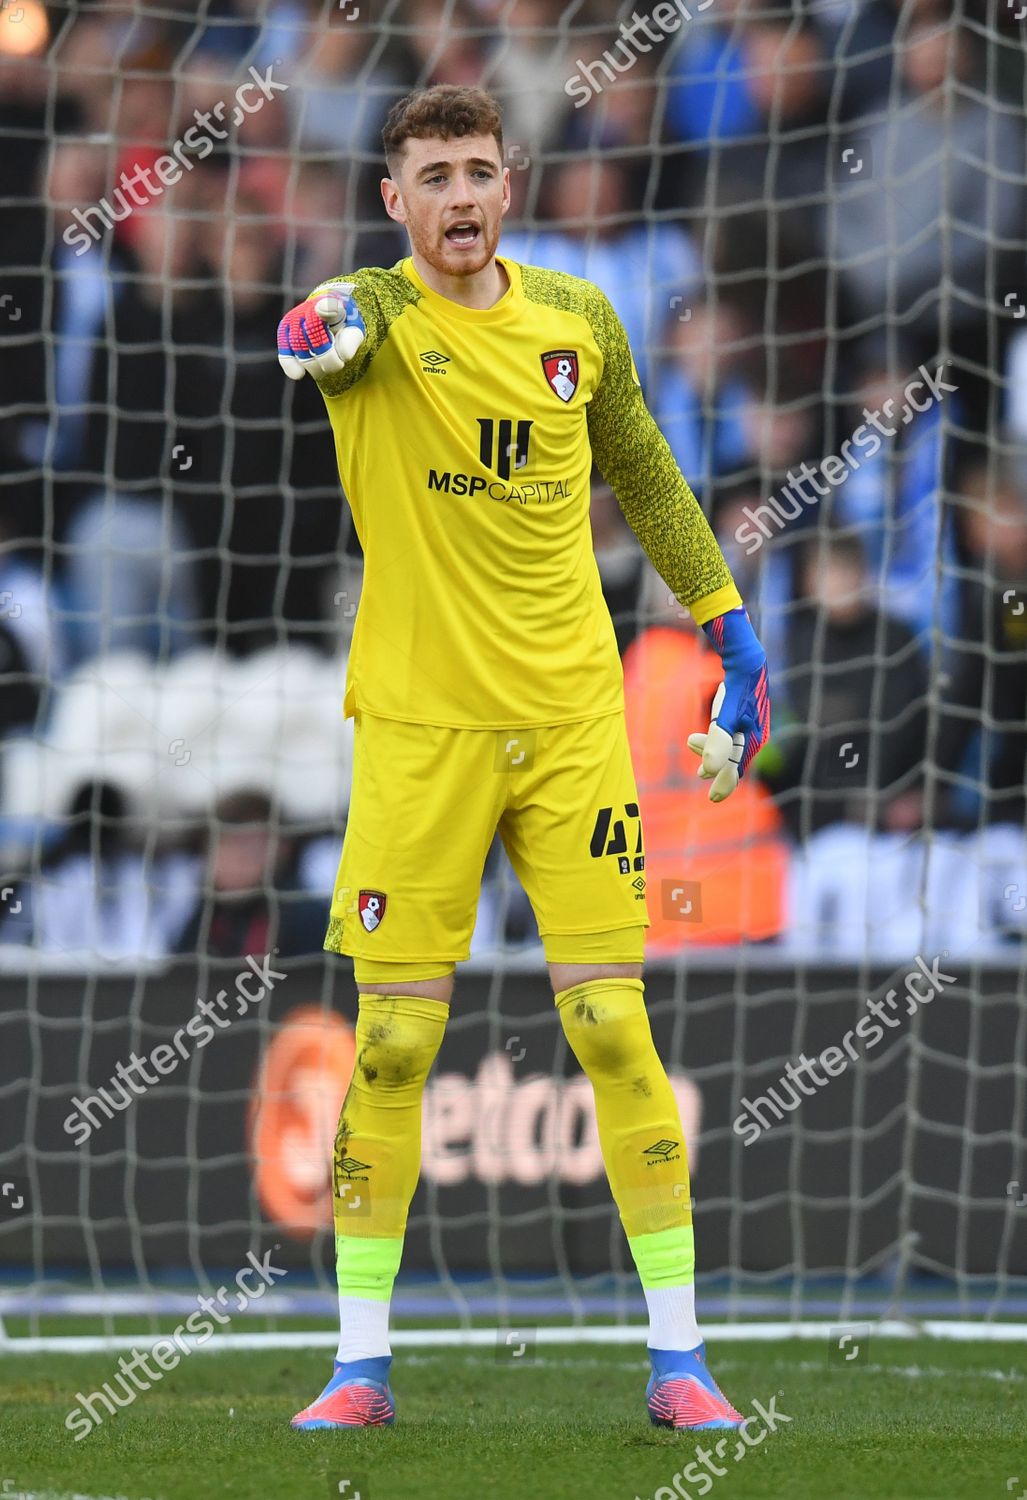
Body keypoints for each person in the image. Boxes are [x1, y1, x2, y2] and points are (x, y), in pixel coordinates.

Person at [275, 84, 771, 1434]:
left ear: (513, 183)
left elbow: (656, 484)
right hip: (420, 735)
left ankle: (680, 1361)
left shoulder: (580, 323)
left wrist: (732, 631)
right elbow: (307, 338)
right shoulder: (374, 319)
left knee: (615, 1026)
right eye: (430, 175)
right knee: (388, 1047)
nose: (458, 197)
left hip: (569, 727)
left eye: (478, 170)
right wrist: (317, 328)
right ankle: (359, 1367)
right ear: (394, 198)